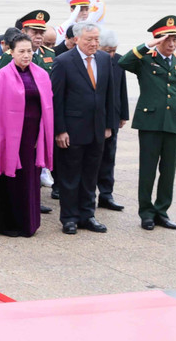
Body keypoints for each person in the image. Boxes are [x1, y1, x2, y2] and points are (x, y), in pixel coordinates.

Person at [118, 16, 176, 231]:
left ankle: (162, 211)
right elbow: (122, 62)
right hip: (150, 122)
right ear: (157, 40)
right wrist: (147, 45)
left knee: (168, 170)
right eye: (167, 40)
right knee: (148, 170)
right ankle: (146, 213)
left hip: (174, 123)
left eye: (174, 40)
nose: (171, 44)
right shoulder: (145, 59)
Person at [0, 33, 54, 237]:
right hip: (9, 135)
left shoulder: (41, 74)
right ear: (11, 52)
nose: (27, 55)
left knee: (30, 178)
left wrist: (40, 136)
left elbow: (48, 106)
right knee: (11, 177)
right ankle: (9, 224)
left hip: (33, 135)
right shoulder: (3, 75)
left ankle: (29, 223)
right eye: (21, 51)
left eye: (29, 51)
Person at [51, 22, 114, 235]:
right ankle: (69, 218)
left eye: (96, 39)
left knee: (90, 175)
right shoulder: (63, 62)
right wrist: (60, 130)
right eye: (89, 39)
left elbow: (109, 96)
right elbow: (57, 99)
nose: (94, 43)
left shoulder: (105, 59)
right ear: (77, 39)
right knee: (70, 177)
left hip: (97, 129)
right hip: (72, 130)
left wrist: (108, 125)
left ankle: (88, 215)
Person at [96, 29, 129, 212]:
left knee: (109, 157)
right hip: (94, 117)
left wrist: (123, 114)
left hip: (113, 116)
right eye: (108, 50)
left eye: (114, 50)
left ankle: (106, 194)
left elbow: (121, 89)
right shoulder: (93, 61)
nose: (111, 54)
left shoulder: (118, 60)